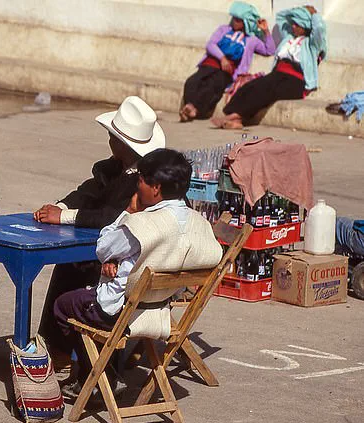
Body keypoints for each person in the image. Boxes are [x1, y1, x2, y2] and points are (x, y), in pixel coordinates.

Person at [52, 148, 223, 396]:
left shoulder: (141, 224)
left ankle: (96, 378)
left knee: (64, 305)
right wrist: (120, 260)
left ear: (155, 189)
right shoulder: (199, 223)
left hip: (122, 312)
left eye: (141, 180)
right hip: (160, 308)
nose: (137, 186)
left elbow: (103, 247)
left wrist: (129, 214)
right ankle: (102, 375)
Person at [34, 96, 166, 371]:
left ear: (121, 143)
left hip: (130, 264)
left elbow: (112, 217)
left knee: (74, 268)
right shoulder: (116, 168)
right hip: (120, 255)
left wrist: (65, 217)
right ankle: (58, 349)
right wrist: (60, 206)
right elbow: (88, 191)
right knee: (70, 265)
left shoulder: (143, 181)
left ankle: (64, 352)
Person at [212, 5, 327, 129]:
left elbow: (319, 28)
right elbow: (281, 17)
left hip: (295, 81)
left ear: (305, 26)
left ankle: (236, 117)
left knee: (266, 90)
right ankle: (234, 117)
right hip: (277, 75)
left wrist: (313, 15)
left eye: (297, 24)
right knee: (251, 86)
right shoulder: (289, 38)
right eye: (293, 23)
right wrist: (299, 11)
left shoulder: (311, 44)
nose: (293, 26)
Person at [181, 1, 274, 122]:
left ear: (245, 22)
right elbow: (211, 45)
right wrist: (222, 58)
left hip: (227, 71)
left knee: (214, 85)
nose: (234, 21)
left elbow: (270, 51)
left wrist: (266, 31)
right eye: (234, 18)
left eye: (238, 20)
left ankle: (196, 110)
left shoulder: (251, 40)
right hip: (211, 64)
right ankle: (189, 105)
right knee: (193, 81)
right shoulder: (224, 29)